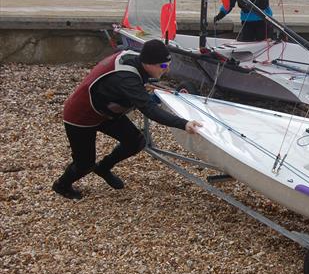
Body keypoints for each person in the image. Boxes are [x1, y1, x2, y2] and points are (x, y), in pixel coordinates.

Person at [53, 40, 203, 200]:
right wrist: (183, 123)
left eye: (168, 64)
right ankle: (62, 185)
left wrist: (155, 97)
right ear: (149, 63)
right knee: (84, 165)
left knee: (136, 141)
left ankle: (103, 168)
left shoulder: (138, 60)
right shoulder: (126, 77)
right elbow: (149, 109)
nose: (167, 70)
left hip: (105, 112)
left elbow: (138, 96)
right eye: (164, 66)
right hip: (80, 115)